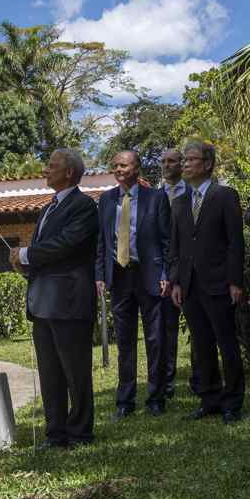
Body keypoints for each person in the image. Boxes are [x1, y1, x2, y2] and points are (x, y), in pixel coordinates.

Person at [12, 148, 99, 448]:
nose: (45, 170)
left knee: (75, 372)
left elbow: (65, 245)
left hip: (70, 303)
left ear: (69, 172)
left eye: (51, 166)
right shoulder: (49, 207)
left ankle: (80, 432)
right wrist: (26, 264)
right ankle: (56, 432)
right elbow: (48, 250)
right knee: (50, 373)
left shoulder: (84, 206)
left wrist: (25, 253)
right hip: (43, 303)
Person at [167, 141, 246, 424]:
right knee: (201, 346)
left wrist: (235, 281)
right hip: (190, 286)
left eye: (191, 159)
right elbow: (175, 248)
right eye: (184, 160)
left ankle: (233, 402)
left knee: (226, 343)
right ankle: (209, 399)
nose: (185, 164)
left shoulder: (224, 196)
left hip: (219, 282)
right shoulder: (178, 203)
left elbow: (235, 243)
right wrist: (176, 282)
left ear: (208, 164)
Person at [95, 149, 173, 418]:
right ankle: (125, 401)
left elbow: (167, 240)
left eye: (124, 165)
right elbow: (102, 243)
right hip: (119, 276)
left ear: (137, 168)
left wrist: (166, 274)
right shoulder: (105, 201)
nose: (118, 169)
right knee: (124, 343)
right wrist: (100, 275)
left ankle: (155, 398)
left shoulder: (156, 197)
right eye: (115, 165)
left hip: (149, 275)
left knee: (155, 340)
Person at [157, 148, 190, 399]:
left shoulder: (193, 194)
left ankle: (203, 379)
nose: (166, 165)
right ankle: (167, 383)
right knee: (167, 330)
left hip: (193, 270)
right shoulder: (156, 196)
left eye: (171, 161)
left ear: (182, 164)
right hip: (166, 272)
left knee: (200, 328)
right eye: (163, 161)